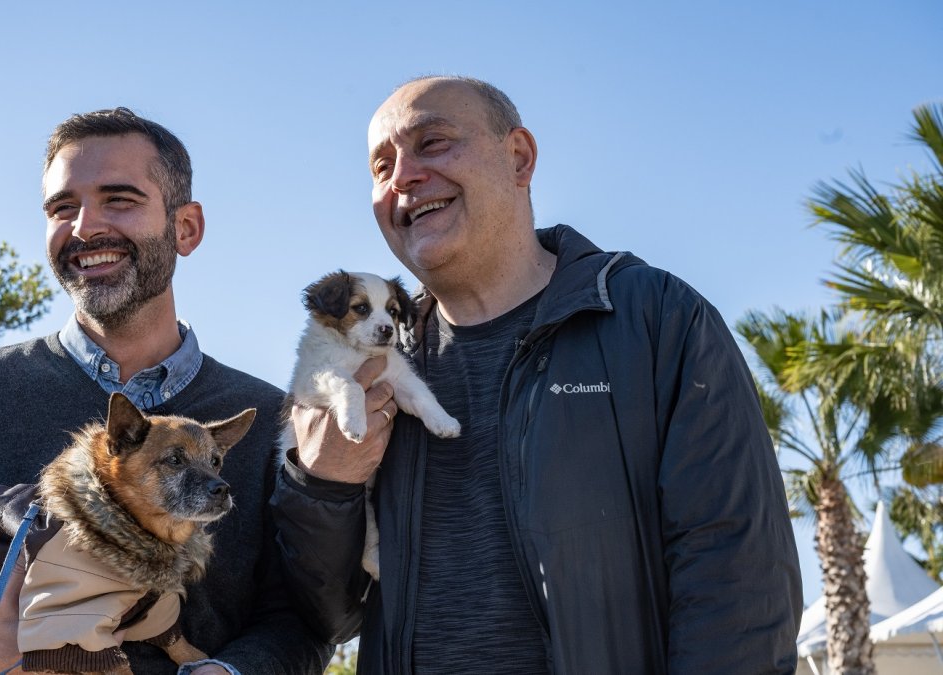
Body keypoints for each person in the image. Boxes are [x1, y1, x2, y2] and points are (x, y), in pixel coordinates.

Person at [270, 76, 803, 673]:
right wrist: (322, 487)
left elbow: (736, 576)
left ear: (518, 158)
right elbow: (328, 619)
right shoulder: (359, 366)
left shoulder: (656, 319)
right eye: (381, 165)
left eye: (434, 142)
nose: (404, 178)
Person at [0, 108, 332, 675]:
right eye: (61, 207)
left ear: (185, 227)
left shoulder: (271, 418)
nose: (84, 227)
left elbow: (303, 617)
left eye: (119, 199)